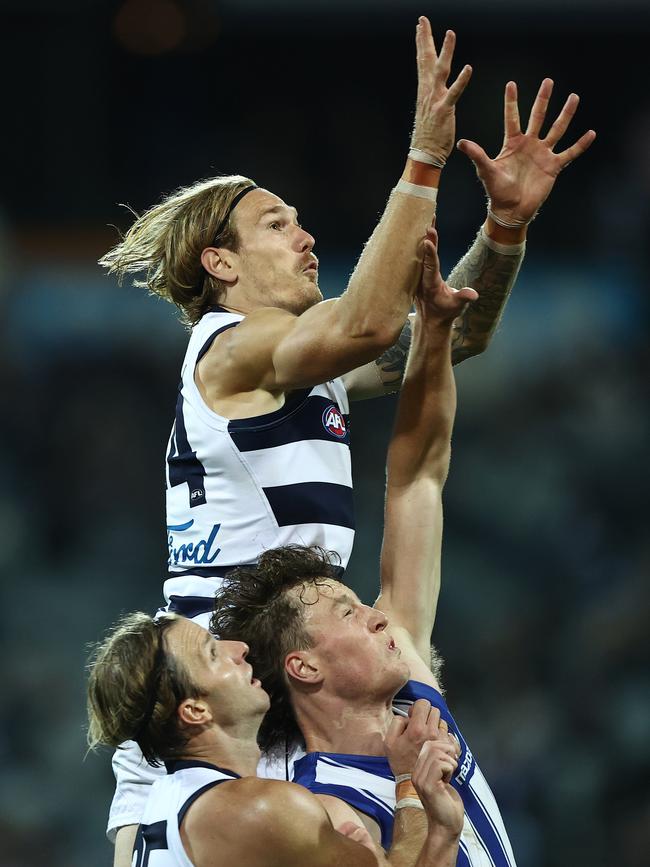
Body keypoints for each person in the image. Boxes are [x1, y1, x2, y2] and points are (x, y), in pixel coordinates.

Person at [99, 14, 594, 857]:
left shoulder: (294, 366)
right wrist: (424, 156)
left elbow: (448, 336)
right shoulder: (229, 348)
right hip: (212, 689)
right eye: (276, 224)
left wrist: (503, 231)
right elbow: (368, 323)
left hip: (283, 672)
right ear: (220, 265)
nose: (307, 236)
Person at [210, 222, 514, 863]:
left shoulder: (409, 680)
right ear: (304, 667)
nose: (379, 617)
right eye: (348, 613)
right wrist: (412, 792)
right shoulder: (312, 811)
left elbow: (417, 481)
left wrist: (434, 331)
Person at [86, 610, 466, 867]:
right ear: (195, 711)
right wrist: (418, 799)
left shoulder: (165, 801)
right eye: (213, 654)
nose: (239, 649)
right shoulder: (258, 809)